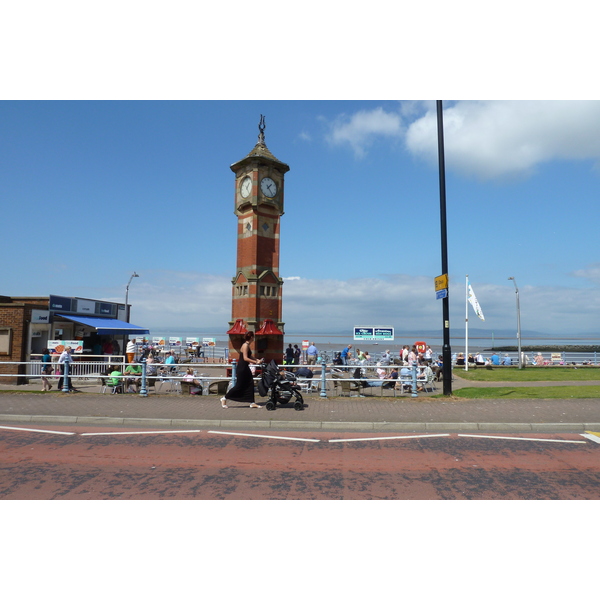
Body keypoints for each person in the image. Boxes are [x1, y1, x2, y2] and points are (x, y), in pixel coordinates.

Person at [221, 331, 263, 409]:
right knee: (239, 385)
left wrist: (257, 360)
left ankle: (252, 402)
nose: (254, 338)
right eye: (253, 337)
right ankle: (224, 398)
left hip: (244, 367)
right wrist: (255, 362)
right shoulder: (245, 345)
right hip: (242, 368)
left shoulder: (247, 345)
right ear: (251, 337)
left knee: (250, 383)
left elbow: (250, 356)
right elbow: (245, 358)